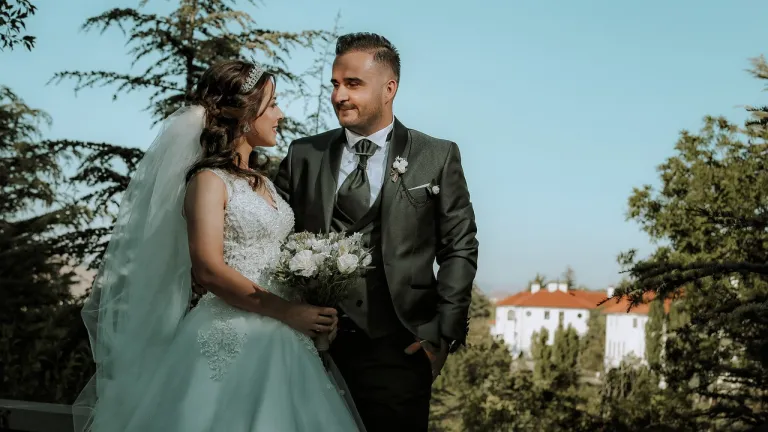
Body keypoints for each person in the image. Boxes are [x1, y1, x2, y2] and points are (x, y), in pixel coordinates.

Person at [74, 59, 364, 432]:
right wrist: (288, 312)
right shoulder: (209, 181)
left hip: (285, 336)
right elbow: (208, 269)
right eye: (272, 104)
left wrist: (311, 312)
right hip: (232, 334)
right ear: (244, 113)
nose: (280, 114)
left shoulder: (264, 182)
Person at [273, 32, 479, 431]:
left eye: (353, 84)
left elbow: (459, 246)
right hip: (309, 345)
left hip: (400, 348)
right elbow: (275, 236)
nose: (339, 96)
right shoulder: (304, 154)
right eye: (335, 84)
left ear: (389, 89)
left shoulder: (436, 156)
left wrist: (442, 332)